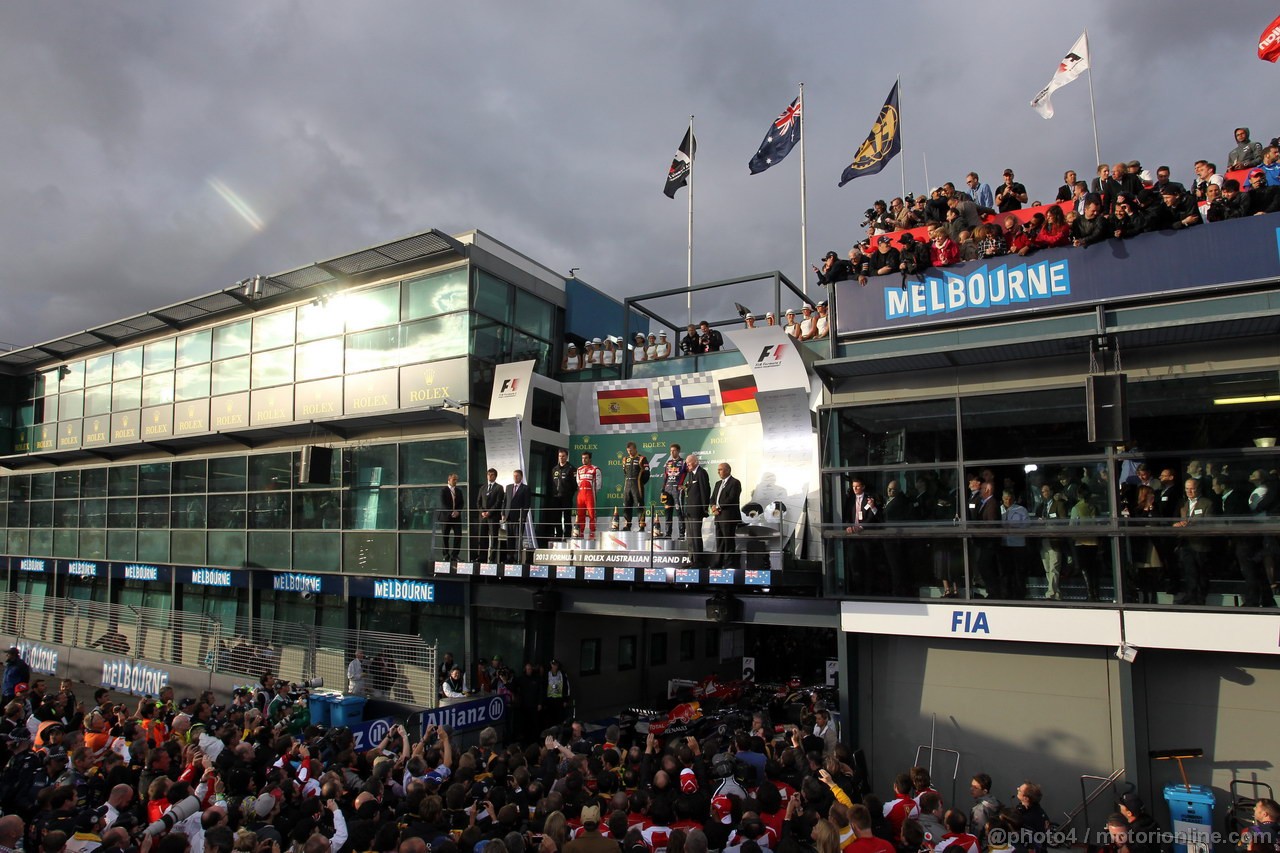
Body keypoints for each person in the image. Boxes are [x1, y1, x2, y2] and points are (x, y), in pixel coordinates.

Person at [1173, 477, 1215, 605]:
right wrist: (1178, 525)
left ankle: (1200, 598)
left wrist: (1190, 526)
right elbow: (1176, 521)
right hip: (1186, 543)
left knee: (1201, 572)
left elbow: (1209, 524)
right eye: (1187, 489)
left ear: (1198, 489)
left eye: (1192, 488)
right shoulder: (1183, 503)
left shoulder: (1207, 503)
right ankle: (1191, 596)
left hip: (1200, 543)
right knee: (1189, 571)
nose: (1189, 491)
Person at [681, 453, 711, 564]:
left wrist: (704, 508)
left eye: (689, 463)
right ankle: (691, 559)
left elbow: (705, 491)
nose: (687, 465)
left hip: (696, 510)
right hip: (688, 510)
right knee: (689, 536)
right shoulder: (690, 474)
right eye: (687, 463)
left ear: (696, 462)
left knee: (696, 535)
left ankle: (698, 560)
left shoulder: (702, 473)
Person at [711, 462, 742, 569]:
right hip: (718, 516)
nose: (718, 472)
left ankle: (729, 563)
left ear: (728, 470)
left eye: (720, 469)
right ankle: (718, 562)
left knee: (728, 541)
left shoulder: (735, 482)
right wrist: (713, 506)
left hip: (729, 517)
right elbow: (713, 498)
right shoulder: (717, 483)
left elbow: (732, 498)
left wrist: (718, 507)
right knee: (719, 540)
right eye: (718, 470)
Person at [502, 469, 531, 562]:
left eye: (517, 476)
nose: (515, 477)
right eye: (514, 475)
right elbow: (505, 501)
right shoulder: (508, 487)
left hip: (519, 518)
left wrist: (522, 516)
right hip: (509, 517)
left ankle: (517, 557)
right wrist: (503, 513)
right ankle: (509, 557)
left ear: (521, 477)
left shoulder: (525, 488)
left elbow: (527, 504)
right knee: (509, 537)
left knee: (518, 538)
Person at [476, 468, 504, 561]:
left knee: (493, 537)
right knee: (482, 537)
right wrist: (482, 512)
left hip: (493, 516)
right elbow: (478, 502)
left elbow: (498, 502)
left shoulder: (499, 487)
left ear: (495, 476)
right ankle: (481, 557)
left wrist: (489, 512)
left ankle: (492, 557)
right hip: (483, 517)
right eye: (488, 474)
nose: (489, 476)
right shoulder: (483, 487)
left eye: (492, 475)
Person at [621, 442, 650, 531]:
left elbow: (647, 474)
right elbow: (625, 472)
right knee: (626, 505)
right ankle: (627, 525)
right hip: (627, 484)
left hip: (637, 484)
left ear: (635, 449)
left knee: (639, 505)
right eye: (628, 451)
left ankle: (641, 525)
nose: (629, 452)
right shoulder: (625, 459)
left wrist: (640, 483)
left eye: (631, 450)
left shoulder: (642, 458)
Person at [548, 449, 575, 542]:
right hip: (556, 497)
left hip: (566, 497)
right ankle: (558, 536)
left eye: (563, 456)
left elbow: (574, 485)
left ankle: (567, 537)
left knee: (567, 518)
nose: (561, 458)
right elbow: (552, 484)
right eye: (559, 456)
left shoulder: (571, 468)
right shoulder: (554, 469)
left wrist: (569, 494)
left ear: (566, 457)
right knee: (556, 518)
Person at [660, 444, 685, 539]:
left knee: (679, 513)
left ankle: (682, 534)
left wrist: (685, 486)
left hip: (677, 490)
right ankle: (668, 534)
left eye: (674, 450)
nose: (672, 452)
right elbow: (665, 477)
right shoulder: (668, 463)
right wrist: (663, 490)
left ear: (678, 451)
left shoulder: (683, 462)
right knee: (668, 513)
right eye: (671, 451)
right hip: (668, 490)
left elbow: (690, 474)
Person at [437, 472, 464, 560]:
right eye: (454, 479)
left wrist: (457, 512)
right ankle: (446, 555)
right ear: (449, 480)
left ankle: (455, 555)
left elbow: (461, 503)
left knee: (458, 535)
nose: (455, 481)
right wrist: (451, 512)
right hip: (446, 517)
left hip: (456, 517)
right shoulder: (443, 491)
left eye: (456, 480)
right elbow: (443, 504)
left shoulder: (459, 491)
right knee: (445, 536)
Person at [576, 451, 602, 537]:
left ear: (590, 459)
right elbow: (578, 482)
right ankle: (580, 533)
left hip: (590, 494)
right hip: (581, 494)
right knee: (580, 515)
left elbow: (598, 484)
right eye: (582, 458)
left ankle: (592, 534)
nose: (584, 460)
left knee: (592, 514)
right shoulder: (579, 470)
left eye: (586, 458)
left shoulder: (595, 469)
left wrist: (593, 493)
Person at [543, 659, 571, 729]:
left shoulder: (562, 674)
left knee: (559, 719)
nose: (554, 666)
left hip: (559, 700)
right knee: (550, 719)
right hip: (550, 700)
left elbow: (567, 687)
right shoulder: (547, 674)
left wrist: (566, 700)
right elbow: (543, 687)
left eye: (555, 665)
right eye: (553, 665)